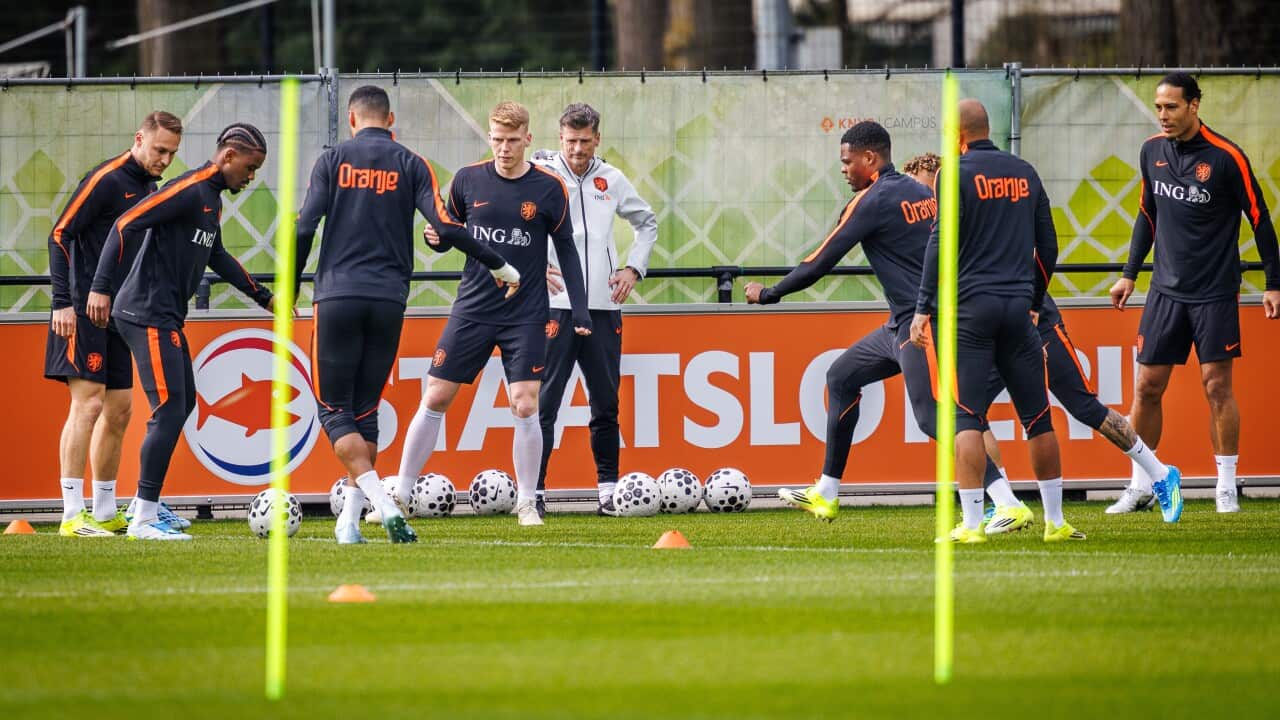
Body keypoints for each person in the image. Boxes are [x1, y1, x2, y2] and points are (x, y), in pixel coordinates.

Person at [742, 122, 1016, 528]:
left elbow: (820, 260)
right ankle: (828, 492)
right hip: (902, 325)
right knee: (841, 377)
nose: (843, 169)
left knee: (934, 418)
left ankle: (1005, 499)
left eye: (847, 161)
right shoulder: (920, 190)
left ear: (870, 159)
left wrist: (769, 293)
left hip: (922, 326)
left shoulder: (872, 201)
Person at [903, 153, 1180, 532]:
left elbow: (1037, 249)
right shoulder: (956, 213)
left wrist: (1033, 303)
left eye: (923, 186)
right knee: (966, 416)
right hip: (993, 325)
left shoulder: (964, 207)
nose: (921, 199)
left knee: (1081, 406)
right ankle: (1006, 503)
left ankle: (1160, 473)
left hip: (1033, 323)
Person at [294, 86, 518, 545]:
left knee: (335, 410)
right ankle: (349, 524)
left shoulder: (332, 160)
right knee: (367, 409)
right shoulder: (412, 163)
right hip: (389, 301)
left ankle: (382, 502)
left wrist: (290, 284)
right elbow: (446, 225)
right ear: (390, 119)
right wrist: (499, 263)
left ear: (352, 120)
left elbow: (304, 225)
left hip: (336, 297)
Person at [394, 101, 592, 527]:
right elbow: (447, 235)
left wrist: (580, 309)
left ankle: (526, 502)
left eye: (512, 141)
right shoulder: (467, 179)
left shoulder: (549, 188)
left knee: (524, 405)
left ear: (528, 140)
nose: (504, 148)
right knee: (436, 396)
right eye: (497, 139)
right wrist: (435, 240)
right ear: (490, 137)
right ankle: (402, 494)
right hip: (474, 309)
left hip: (525, 314)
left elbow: (569, 253)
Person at [87, 123, 277, 541]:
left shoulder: (211, 201)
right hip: (145, 312)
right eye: (249, 168)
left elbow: (218, 255)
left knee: (184, 403)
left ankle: (143, 505)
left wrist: (264, 298)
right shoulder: (189, 189)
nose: (250, 177)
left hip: (164, 316)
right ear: (228, 157)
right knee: (170, 408)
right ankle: (143, 519)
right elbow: (124, 223)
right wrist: (100, 287)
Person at [910, 99, 1082, 544]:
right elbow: (1049, 244)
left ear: (957, 134)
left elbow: (940, 242)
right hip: (1018, 307)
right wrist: (1034, 297)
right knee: (1038, 418)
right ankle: (1056, 523)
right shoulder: (1025, 171)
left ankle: (971, 526)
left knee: (966, 416)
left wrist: (923, 306)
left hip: (971, 309)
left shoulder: (955, 173)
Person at [1110, 72, 1280, 517]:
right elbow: (1147, 214)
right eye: (1158, 106)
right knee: (1146, 387)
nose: (1162, 115)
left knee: (1216, 387)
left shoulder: (1227, 157)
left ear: (1194, 106)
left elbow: (1260, 219)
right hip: (1165, 292)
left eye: (1171, 107)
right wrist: (1130, 274)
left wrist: (1273, 283)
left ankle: (1226, 486)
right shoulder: (1151, 151)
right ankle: (1142, 483)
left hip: (1214, 293)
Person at [44, 111, 182, 537]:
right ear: (139, 139)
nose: (165, 159)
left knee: (120, 411)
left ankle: (105, 510)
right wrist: (63, 302)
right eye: (159, 150)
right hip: (83, 311)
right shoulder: (106, 179)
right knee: (87, 405)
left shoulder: (150, 188)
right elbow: (60, 233)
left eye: (172, 154)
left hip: (122, 314)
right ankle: (72, 514)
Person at [530, 103, 658, 517]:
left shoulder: (612, 178)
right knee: (543, 405)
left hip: (603, 306)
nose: (578, 149)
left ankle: (608, 490)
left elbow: (647, 222)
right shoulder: (539, 172)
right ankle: (534, 492)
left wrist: (633, 268)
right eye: (570, 141)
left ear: (597, 139)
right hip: (554, 306)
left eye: (585, 141)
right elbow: (508, 212)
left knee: (605, 404)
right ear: (559, 137)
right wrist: (531, 267)